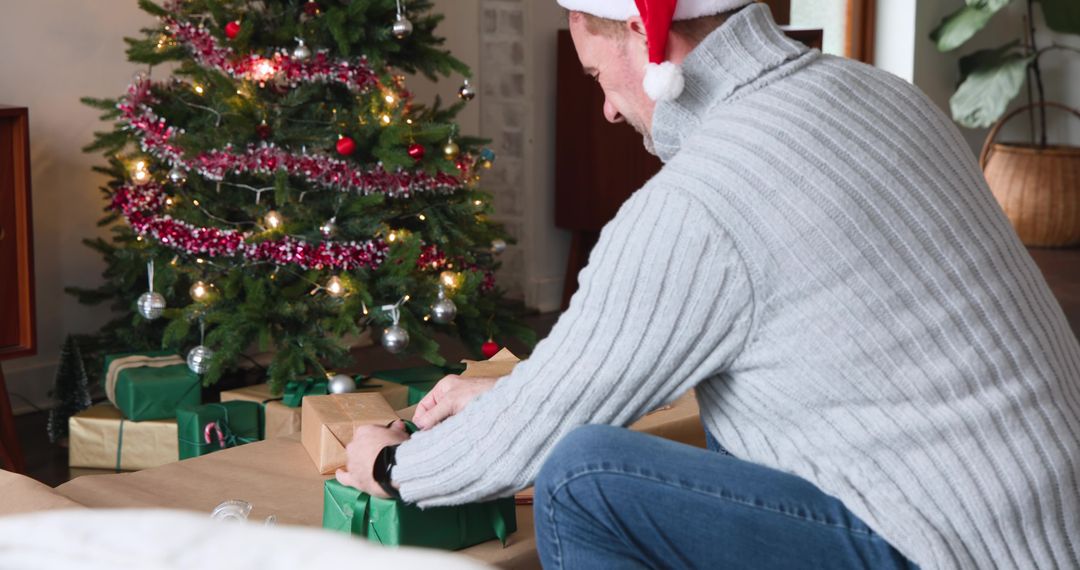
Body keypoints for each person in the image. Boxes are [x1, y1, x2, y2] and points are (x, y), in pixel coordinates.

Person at [335, 1, 1080, 568]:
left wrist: (393, 465)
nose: (604, 105)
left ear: (648, 40)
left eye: (597, 74)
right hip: (1045, 525)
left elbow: (532, 445)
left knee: (579, 477)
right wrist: (526, 393)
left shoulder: (706, 196)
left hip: (941, 547)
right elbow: (742, 337)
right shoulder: (877, 94)